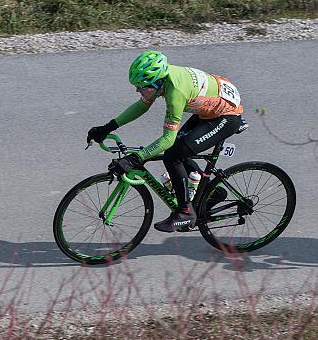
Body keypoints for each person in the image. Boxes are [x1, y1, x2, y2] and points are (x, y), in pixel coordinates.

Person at [87, 51, 243, 233]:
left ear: (157, 83)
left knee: (172, 155)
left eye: (141, 86)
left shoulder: (175, 92)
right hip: (210, 108)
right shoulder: (162, 79)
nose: (137, 90)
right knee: (178, 150)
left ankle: (185, 212)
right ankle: (212, 192)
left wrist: (135, 159)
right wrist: (107, 127)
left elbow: (167, 139)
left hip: (226, 117)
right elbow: (141, 106)